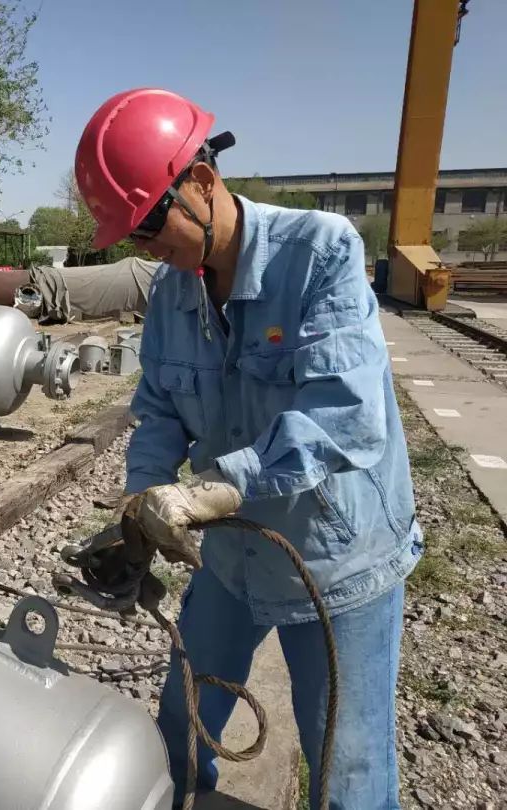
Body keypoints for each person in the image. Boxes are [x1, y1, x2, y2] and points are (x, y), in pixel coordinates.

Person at [75, 88, 421, 809]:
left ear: (200, 183)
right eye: (131, 239)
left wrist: (209, 491)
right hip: (231, 559)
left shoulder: (322, 253)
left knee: (346, 776)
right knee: (178, 730)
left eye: (147, 226)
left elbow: (343, 413)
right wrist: (143, 505)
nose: (146, 250)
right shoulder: (172, 292)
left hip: (336, 564)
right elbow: (161, 411)